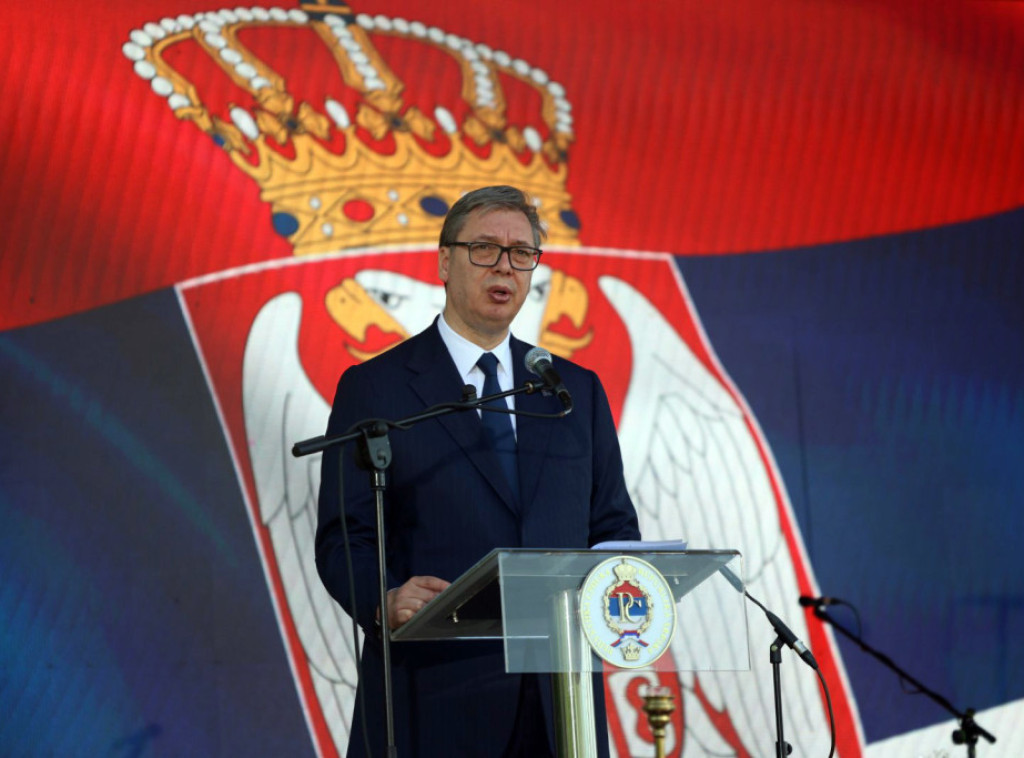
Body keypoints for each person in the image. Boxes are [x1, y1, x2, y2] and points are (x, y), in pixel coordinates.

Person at [315, 185, 640, 757]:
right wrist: (381, 599)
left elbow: (612, 527)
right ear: (445, 261)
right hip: (435, 697)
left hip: (560, 702)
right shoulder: (377, 388)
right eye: (485, 248)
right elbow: (346, 535)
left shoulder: (573, 392)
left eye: (522, 253)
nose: (505, 266)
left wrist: (626, 588)